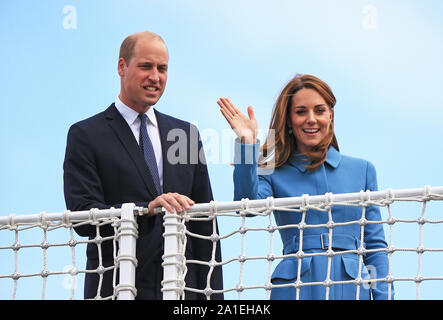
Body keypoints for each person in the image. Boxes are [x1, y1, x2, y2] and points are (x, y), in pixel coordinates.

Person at [63, 31, 223, 300]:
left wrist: (213, 298)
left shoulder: (184, 135)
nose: (155, 77)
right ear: (122, 67)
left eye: (162, 69)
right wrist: (142, 211)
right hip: (116, 286)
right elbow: (83, 216)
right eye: (146, 66)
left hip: (184, 289)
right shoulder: (86, 134)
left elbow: (206, 224)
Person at [217, 74, 393, 300]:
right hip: (294, 287)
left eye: (319, 110)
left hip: (352, 287)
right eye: (301, 112)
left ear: (331, 114)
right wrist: (246, 144)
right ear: (289, 120)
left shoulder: (363, 170)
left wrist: (384, 296)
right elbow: (247, 206)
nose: (311, 119)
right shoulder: (274, 170)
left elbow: (375, 246)